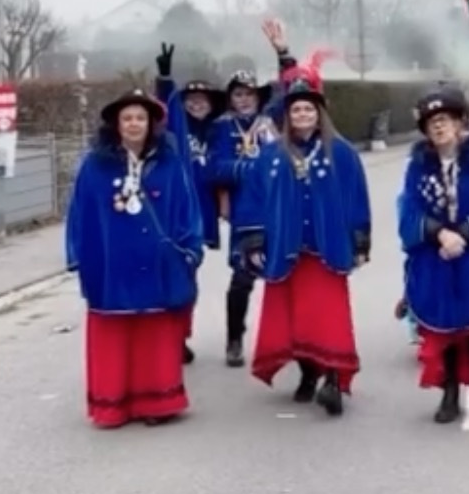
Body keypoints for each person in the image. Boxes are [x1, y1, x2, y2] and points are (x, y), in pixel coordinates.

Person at [230, 69, 372, 417]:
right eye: (296, 109)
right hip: (285, 249)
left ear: (319, 113)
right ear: (287, 115)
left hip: (327, 250)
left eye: (309, 109)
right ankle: (309, 373)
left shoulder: (342, 153)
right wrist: (254, 242)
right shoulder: (271, 155)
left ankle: (333, 381)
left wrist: (359, 242)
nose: (303, 115)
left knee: (329, 318)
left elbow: (357, 199)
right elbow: (253, 200)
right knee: (297, 319)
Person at [64, 88, 204, 429]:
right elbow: (79, 213)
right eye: (127, 118)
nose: (134, 124)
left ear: (151, 123)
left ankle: (157, 403)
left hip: (158, 265)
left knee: (155, 334)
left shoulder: (169, 164)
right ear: (116, 124)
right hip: (110, 265)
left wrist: (191, 249)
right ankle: (112, 405)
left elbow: (187, 208)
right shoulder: (94, 166)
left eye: (140, 117)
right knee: (113, 334)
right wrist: (77, 255)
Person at [398, 86, 469, 424]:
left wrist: (462, 235)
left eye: (445, 119)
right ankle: (449, 392)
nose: (439, 126)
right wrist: (439, 233)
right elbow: (409, 211)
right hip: (435, 253)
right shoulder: (418, 166)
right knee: (443, 327)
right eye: (432, 121)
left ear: (460, 123)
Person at [205, 21, 299, 367]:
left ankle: (293, 341)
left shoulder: (272, 119)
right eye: (238, 94)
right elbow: (215, 169)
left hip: (280, 211)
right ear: (230, 99)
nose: (244, 99)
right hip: (246, 214)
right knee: (242, 279)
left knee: (288, 277)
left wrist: (283, 52)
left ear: (259, 96)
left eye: (249, 94)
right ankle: (234, 339)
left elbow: (292, 91)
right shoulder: (221, 128)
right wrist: (251, 168)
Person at [151, 43, 226, 365]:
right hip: (171, 213)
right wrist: (165, 79)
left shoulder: (219, 132)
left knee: (188, 278)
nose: (196, 104)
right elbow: (164, 107)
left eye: (202, 100)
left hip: (201, 214)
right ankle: (170, 336)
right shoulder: (176, 132)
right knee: (170, 276)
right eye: (190, 99)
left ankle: (181, 332)